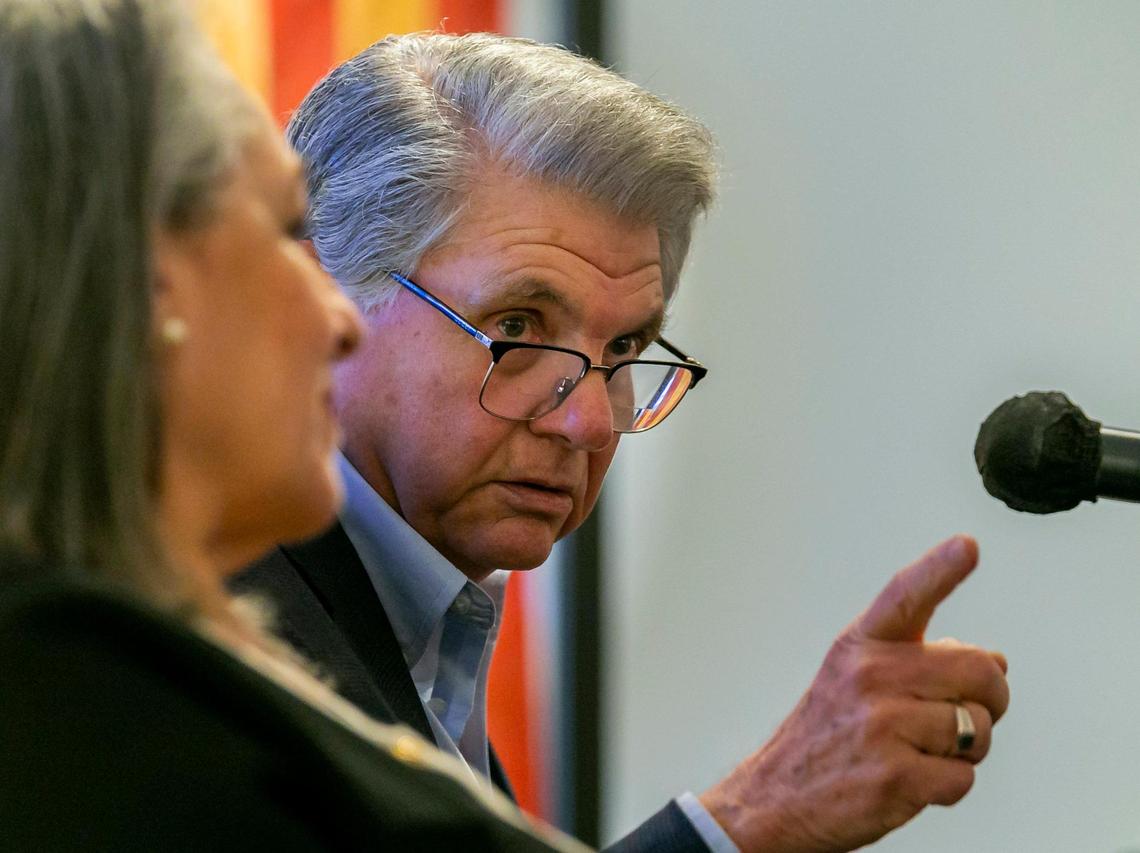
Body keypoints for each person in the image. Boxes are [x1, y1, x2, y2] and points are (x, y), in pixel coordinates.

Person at [235, 32, 1011, 853]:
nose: (591, 422)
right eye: (517, 326)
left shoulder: (416, 624)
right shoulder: (217, 620)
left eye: (623, 351)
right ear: (317, 300)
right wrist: (750, 821)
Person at [0, 3, 588, 850]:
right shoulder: (96, 714)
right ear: (147, 280)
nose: (340, 319)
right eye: (288, 231)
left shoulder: (130, 666)